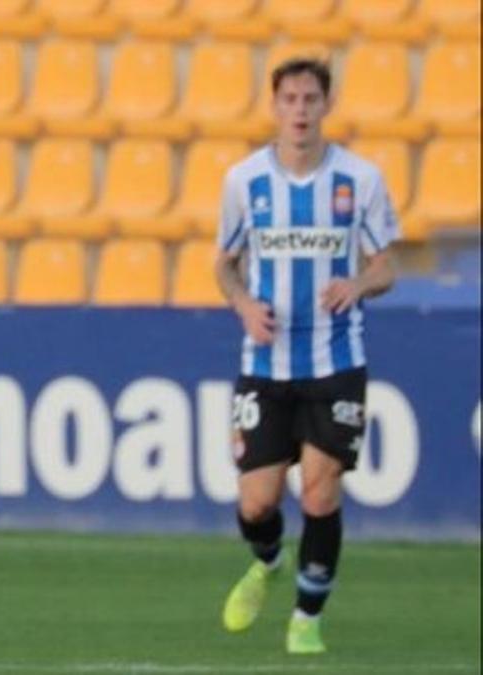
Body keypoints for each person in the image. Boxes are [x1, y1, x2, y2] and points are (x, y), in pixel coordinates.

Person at [215, 57, 398, 655]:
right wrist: (242, 303)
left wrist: (358, 285)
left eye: (310, 99)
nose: (299, 110)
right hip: (266, 363)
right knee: (257, 501)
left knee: (320, 492)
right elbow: (224, 262)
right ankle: (268, 562)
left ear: (326, 105)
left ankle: (306, 617)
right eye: (289, 99)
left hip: (336, 359)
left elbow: (385, 265)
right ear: (275, 106)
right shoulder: (245, 181)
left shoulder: (359, 179)